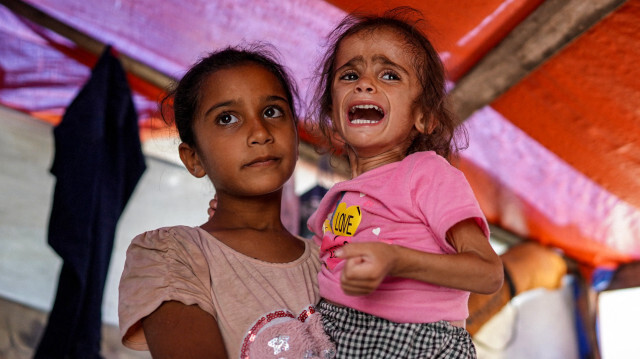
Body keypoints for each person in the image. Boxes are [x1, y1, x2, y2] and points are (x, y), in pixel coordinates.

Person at [304, 7, 504, 358]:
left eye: (389, 75)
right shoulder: (340, 198)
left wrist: (396, 260)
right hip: (335, 333)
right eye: (349, 75)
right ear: (333, 116)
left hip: (414, 342)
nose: (365, 83)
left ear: (423, 118)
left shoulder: (427, 174)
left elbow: (488, 274)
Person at [118, 46, 335, 359]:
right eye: (227, 118)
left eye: (273, 111)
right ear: (193, 159)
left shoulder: (332, 264)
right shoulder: (173, 255)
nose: (260, 132)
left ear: (296, 133)